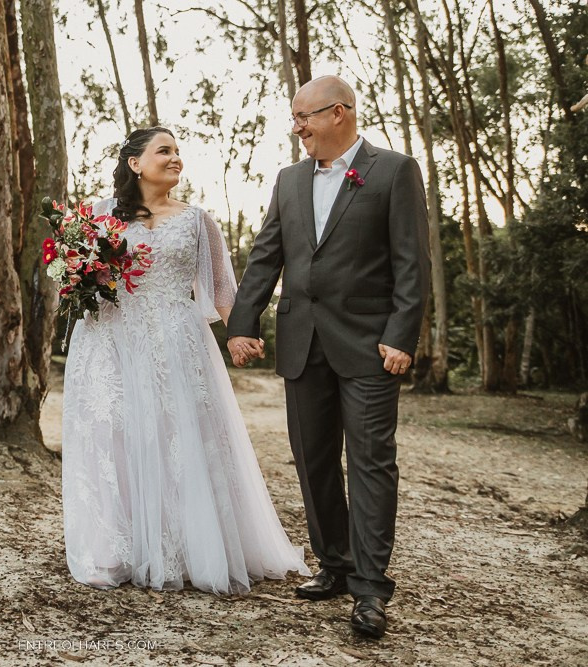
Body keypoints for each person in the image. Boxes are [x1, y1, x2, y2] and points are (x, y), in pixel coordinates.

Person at [61, 126, 310, 595]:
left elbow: (220, 291)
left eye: (178, 151)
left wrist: (240, 334)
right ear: (135, 163)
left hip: (177, 342)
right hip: (109, 342)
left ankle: (185, 546)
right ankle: (113, 549)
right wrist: (79, 278)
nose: (176, 158)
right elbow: (70, 277)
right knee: (111, 437)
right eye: (165, 151)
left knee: (177, 437)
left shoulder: (198, 221)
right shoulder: (94, 217)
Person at [226, 75, 431, 638]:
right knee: (313, 459)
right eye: (296, 118)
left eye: (305, 117)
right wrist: (243, 324)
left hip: (370, 345)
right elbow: (267, 256)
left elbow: (412, 262)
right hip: (301, 341)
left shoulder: (393, 171)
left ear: (339, 113)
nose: (297, 128)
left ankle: (370, 588)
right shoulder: (289, 180)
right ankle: (334, 565)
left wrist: (401, 335)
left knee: (370, 464)